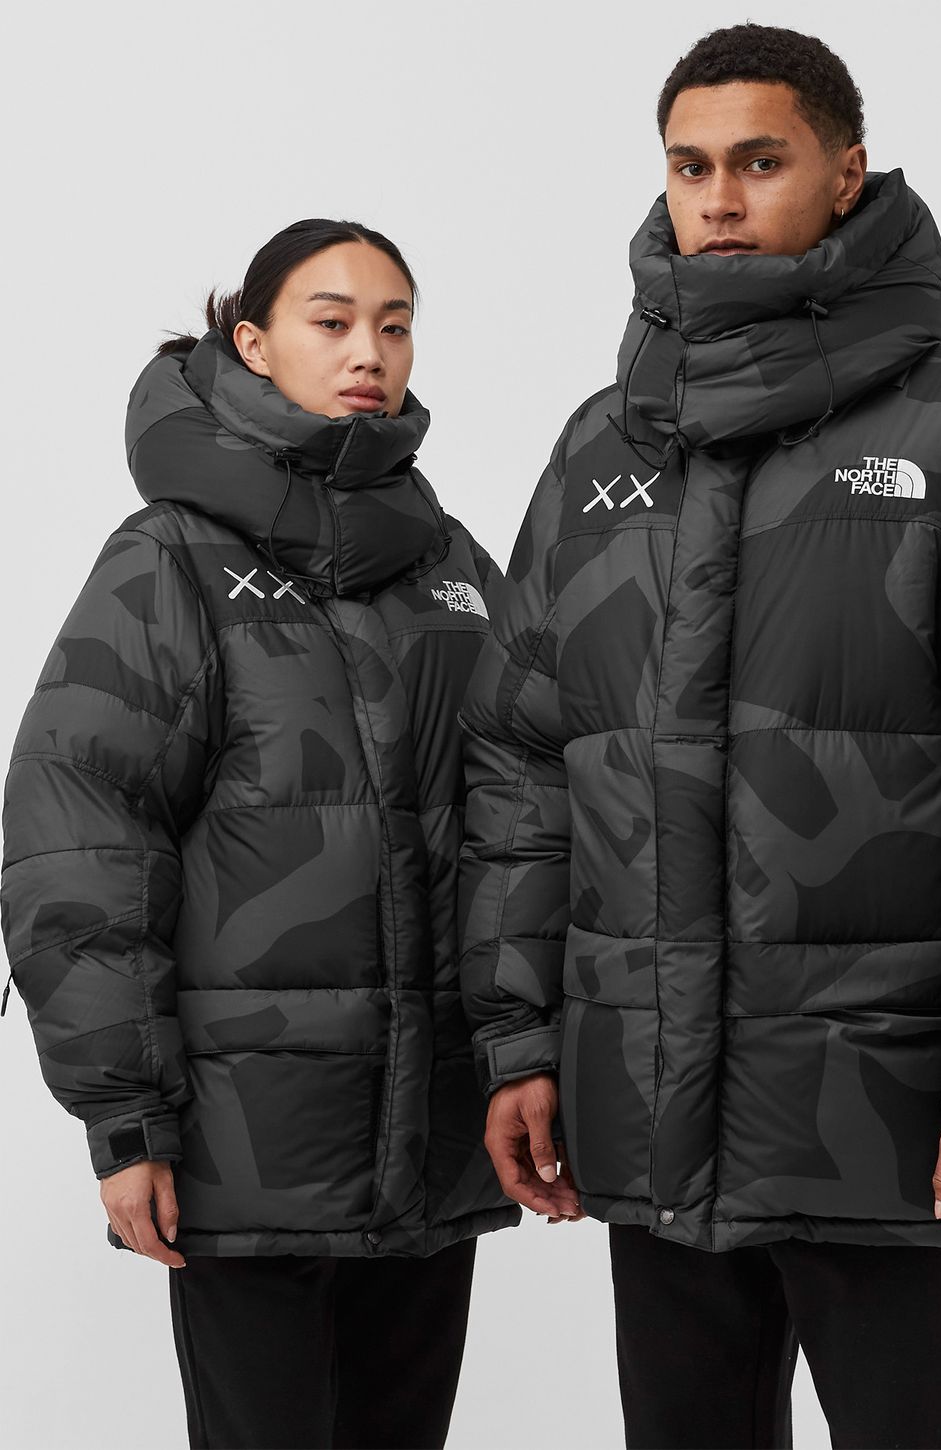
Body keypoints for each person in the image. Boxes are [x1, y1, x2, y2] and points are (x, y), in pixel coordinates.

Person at [458, 24, 941, 1450]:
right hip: (649, 1122)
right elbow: (526, 760)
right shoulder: (601, 450)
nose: (717, 198)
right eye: (689, 166)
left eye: (758, 161)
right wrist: (520, 1039)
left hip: (894, 1132)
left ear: (846, 174)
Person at [0, 218, 518, 1450]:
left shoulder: (447, 563)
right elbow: (80, 838)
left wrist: (530, 1057)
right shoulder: (170, 560)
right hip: (243, 1147)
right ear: (252, 342)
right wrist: (125, 1119)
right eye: (330, 322)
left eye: (393, 325)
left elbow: (528, 812)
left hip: (433, 1136)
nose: (368, 352)